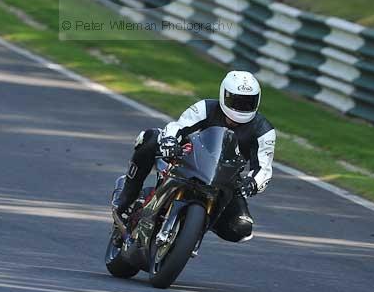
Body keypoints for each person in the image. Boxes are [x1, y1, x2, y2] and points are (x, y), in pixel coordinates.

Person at [112, 70, 276, 243]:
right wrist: (170, 141)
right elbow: (179, 126)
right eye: (235, 101)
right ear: (224, 95)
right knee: (150, 138)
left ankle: (198, 224)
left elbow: (263, 166)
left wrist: (252, 183)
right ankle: (125, 199)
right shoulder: (206, 107)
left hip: (227, 179)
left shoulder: (263, 130)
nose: (241, 107)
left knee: (241, 228)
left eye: (247, 102)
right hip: (189, 159)